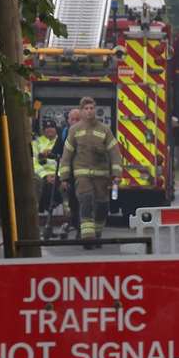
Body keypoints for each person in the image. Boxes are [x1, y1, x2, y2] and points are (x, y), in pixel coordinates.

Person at [58, 96, 121, 246]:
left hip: (102, 176)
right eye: (86, 109)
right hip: (82, 175)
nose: (89, 111)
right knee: (85, 202)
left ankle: (97, 232)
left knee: (102, 205)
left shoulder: (104, 130)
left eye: (91, 108)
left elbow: (114, 153)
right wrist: (64, 178)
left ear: (95, 110)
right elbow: (67, 155)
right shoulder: (74, 130)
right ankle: (87, 237)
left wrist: (116, 174)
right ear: (81, 111)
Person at [32, 121, 62, 228]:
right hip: (42, 175)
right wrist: (45, 175)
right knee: (38, 184)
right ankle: (39, 216)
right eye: (47, 128)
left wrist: (58, 175)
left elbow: (65, 160)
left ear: (56, 129)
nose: (49, 130)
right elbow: (33, 161)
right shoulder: (36, 143)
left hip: (59, 174)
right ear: (43, 130)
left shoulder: (62, 141)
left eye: (52, 127)